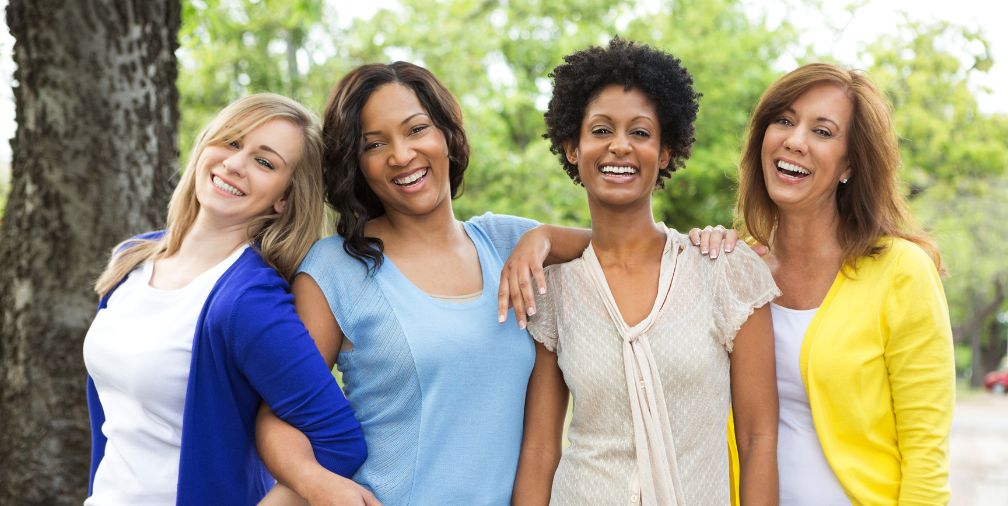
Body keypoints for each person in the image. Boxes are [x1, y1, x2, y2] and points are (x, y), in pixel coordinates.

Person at [254, 62, 590, 505]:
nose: (401, 155)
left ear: (447, 135)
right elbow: (280, 414)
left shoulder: (508, 243)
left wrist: (544, 236)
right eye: (374, 144)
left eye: (416, 129)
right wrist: (319, 484)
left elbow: (631, 251)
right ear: (358, 165)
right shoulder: (334, 267)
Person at [510, 38, 780, 506]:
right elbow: (539, 450)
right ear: (572, 148)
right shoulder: (555, 289)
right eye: (600, 131)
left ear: (666, 151)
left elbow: (758, 441)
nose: (619, 146)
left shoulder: (723, 273)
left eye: (640, 132)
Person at [690, 63, 956, 504]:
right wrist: (694, 261)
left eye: (823, 131)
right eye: (785, 121)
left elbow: (926, 455)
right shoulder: (735, 267)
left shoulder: (902, 271)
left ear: (850, 163)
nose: (795, 141)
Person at [83, 93, 368, 505]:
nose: (235, 165)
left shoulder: (249, 302)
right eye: (232, 142)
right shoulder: (132, 258)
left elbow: (339, 441)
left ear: (283, 197)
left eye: (264, 162)